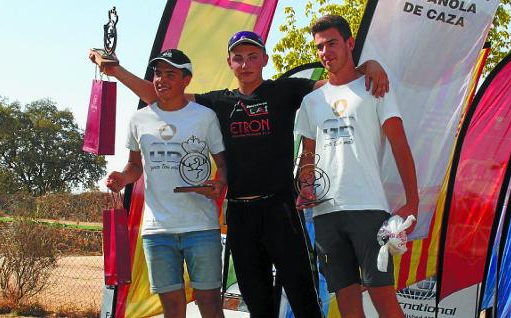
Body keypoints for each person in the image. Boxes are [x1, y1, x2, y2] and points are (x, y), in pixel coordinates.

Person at [91, 32, 389, 318]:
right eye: (238, 58)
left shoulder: (286, 90)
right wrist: (116, 71)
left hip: (280, 209)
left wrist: (368, 67)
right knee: (257, 303)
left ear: (265, 59)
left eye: (252, 57)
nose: (245, 65)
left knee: (303, 298)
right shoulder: (218, 102)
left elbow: (338, 81)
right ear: (229, 63)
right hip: (240, 215)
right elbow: (162, 95)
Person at [294, 15, 419, 318]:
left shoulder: (374, 86)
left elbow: (400, 145)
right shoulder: (311, 102)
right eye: (320, 47)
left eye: (332, 43)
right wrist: (305, 185)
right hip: (325, 215)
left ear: (350, 43)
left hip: (368, 209)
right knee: (348, 308)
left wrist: (412, 201)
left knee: (385, 304)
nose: (326, 52)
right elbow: (308, 156)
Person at [105, 49, 227, 318]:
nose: (161, 80)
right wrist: (122, 178)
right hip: (157, 230)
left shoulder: (204, 116)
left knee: (210, 305)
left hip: (201, 227)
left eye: (170, 74)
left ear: (186, 79)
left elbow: (223, 161)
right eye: (158, 73)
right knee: (171, 308)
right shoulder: (139, 119)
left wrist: (220, 183)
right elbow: (135, 165)